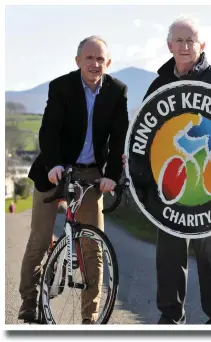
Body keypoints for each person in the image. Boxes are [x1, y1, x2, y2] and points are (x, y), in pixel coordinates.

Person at [123, 16, 211, 324]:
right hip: (171, 189)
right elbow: (146, 133)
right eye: (180, 40)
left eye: (191, 40)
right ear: (170, 45)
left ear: (202, 45)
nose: (186, 46)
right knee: (169, 258)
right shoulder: (160, 84)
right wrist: (131, 160)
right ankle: (170, 319)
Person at [18, 35, 129, 324]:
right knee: (40, 240)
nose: (94, 64)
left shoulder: (117, 91)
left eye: (100, 59)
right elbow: (49, 131)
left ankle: (90, 318)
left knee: (94, 247)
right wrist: (54, 164)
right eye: (89, 58)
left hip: (92, 172)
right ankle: (29, 303)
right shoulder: (61, 87)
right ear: (77, 61)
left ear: (108, 63)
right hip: (54, 169)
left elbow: (119, 140)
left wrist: (112, 177)